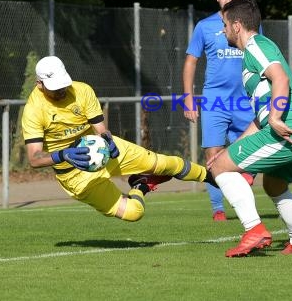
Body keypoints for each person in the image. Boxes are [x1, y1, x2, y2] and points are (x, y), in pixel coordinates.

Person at [22, 56, 213, 222]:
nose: (62, 89)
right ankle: (141, 185)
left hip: (104, 152)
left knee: (165, 164)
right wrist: (63, 155)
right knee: (134, 213)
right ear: (39, 84)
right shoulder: (34, 110)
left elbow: (102, 130)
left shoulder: (82, 91)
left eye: (64, 83)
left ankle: (214, 177)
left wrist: (107, 139)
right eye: (56, 88)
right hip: (75, 176)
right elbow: (34, 158)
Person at [207, 0, 292, 257]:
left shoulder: (256, 44)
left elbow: (280, 78)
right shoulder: (254, 52)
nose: (222, 30)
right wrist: (233, 148)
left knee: (219, 168)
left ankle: (254, 230)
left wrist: (277, 118)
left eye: (224, 24)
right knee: (274, 185)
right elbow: (261, 117)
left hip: (287, 126)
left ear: (236, 26)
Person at [182, 0, 255, 221]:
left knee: (249, 153)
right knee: (212, 154)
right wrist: (188, 98)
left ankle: (242, 198)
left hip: (244, 101)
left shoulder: (249, 25)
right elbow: (191, 61)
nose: (226, 1)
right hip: (215, 101)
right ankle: (218, 209)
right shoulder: (204, 26)